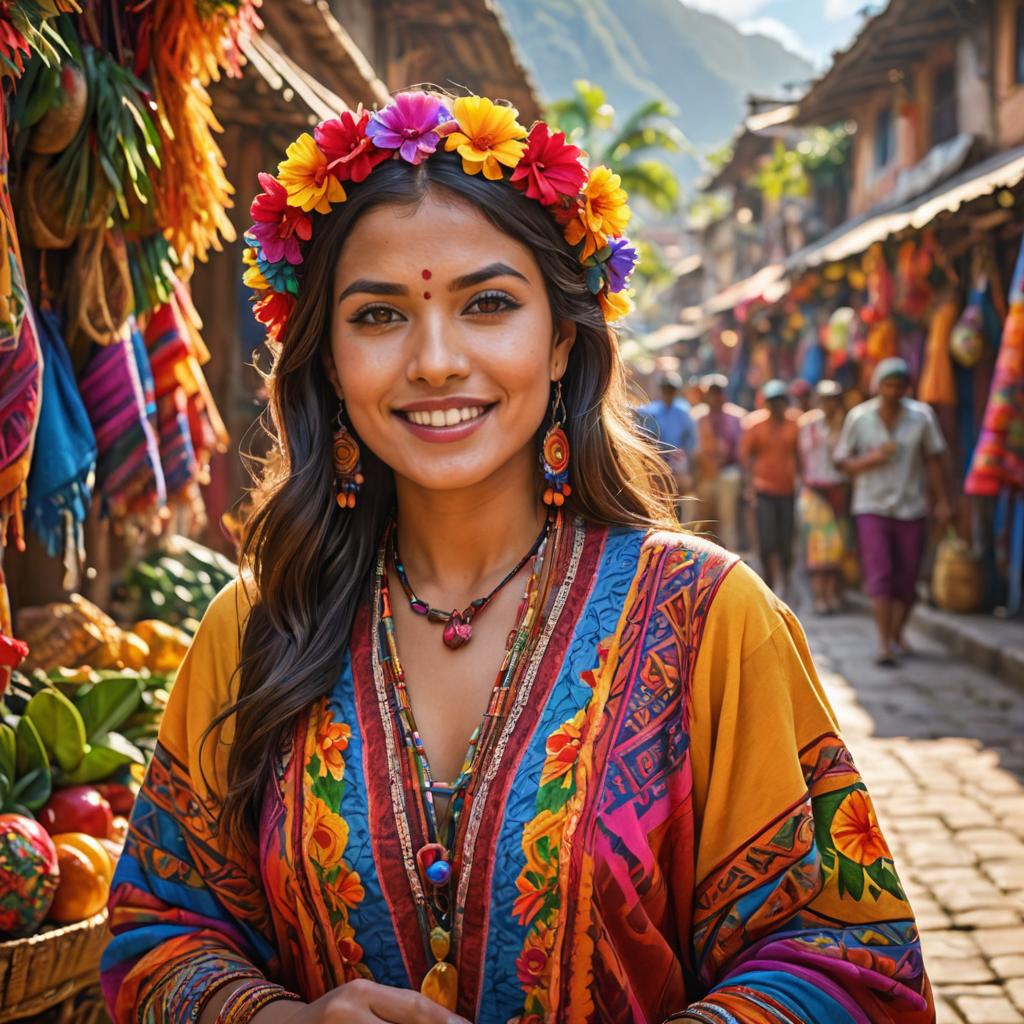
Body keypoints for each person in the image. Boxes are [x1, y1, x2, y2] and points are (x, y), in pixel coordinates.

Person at [101, 92, 933, 1024]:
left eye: (488, 304)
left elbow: (851, 959)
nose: (437, 360)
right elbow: (156, 935)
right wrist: (277, 1018)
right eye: (378, 316)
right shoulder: (258, 625)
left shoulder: (708, 618)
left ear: (561, 339)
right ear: (329, 359)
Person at [834, 357, 951, 666]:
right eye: (888, 385)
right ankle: (884, 643)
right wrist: (871, 459)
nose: (893, 391)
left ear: (906, 388)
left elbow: (935, 460)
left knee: (908, 578)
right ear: (878, 387)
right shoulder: (859, 418)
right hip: (871, 505)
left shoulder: (922, 417)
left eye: (899, 385)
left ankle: (897, 632)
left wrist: (943, 500)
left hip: (911, 506)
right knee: (881, 573)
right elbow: (842, 462)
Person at [740, 379, 801, 596]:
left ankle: (786, 579)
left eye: (780, 401)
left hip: (788, 490)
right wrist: (748, 488)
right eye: (772, 402)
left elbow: (800, 455)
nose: (776, 407)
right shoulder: (755, 425)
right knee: (767, 541)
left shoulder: (795, 424)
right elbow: (746, 458)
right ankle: (769, 583)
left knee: (786, 540)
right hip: (763, 490)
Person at [797, 380, 849, 615]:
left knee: (837, 545)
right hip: (815, 490)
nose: (828, 405)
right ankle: (820, 596)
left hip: (838, 490)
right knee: (819, 546)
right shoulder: (808, 425)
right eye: (824, 399)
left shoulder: (846, 426)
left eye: (832, 400)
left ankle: (832, 593)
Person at [690, 374, 744, 550]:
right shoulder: (697, 417)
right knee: (703, 521)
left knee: (727, 520)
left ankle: (732, 559)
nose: (715, 397)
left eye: (718, 392)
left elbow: (741, 452)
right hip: (704, 475)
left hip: (727, 474)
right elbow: (691, 450)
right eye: (711, 393)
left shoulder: (737, 417)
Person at [636, 370, 696, 511]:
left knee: (682, 494)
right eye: (666, 389)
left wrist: (687, 463)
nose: (668, 393)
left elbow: (691, 440)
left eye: (671, 390)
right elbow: (646, 439)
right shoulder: (650, 411)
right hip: (658, 460)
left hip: (679, 459)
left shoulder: (683, 410)